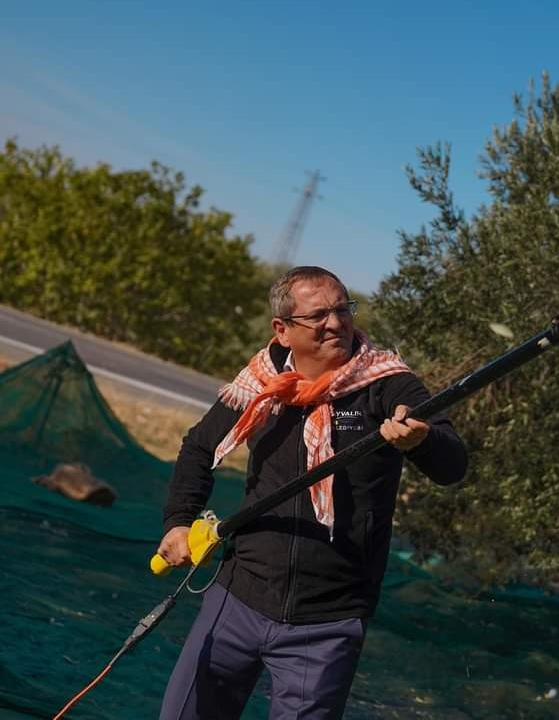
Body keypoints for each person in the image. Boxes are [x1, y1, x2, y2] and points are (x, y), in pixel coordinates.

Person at [155, 266, 468, 720]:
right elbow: (199, 448)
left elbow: (453, 464)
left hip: (329, 622)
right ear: (282, 331)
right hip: (236, 600)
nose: (337, 324)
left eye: (343, 310)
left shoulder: (387, 383)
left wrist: (423, 440)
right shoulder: (260, 383)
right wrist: (179, 521)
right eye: (318, 315)